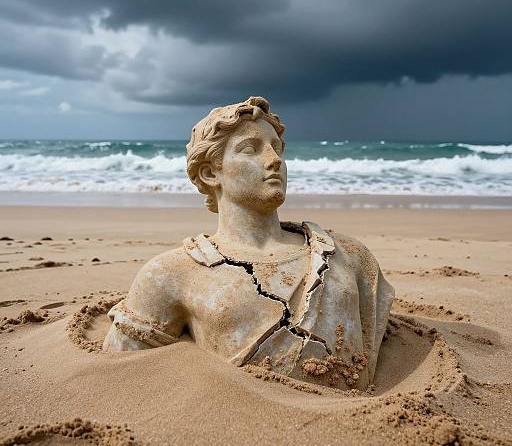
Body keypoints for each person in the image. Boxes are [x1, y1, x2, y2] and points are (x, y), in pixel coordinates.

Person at [103, 96, 394, 390]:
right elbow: (118, 377)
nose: (274, 159)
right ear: (209, 172)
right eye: (251, 149)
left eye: (277, 147)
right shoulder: (171, 274)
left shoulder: (349, 255)